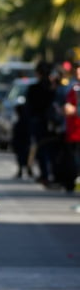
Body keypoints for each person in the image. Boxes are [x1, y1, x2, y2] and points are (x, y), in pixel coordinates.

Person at [26, 60, 56, 187]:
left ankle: (45, 175)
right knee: (51, 150)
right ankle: (50, 175)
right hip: (52, 124)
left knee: (41, 150)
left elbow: (28, 108)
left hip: (39, 123)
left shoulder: (34, 88)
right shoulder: (53, 88)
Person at [62, 60, 80, 192]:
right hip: (72, 132)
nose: (77, 72)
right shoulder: (73, 87)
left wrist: (74, 110)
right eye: (76, 69)